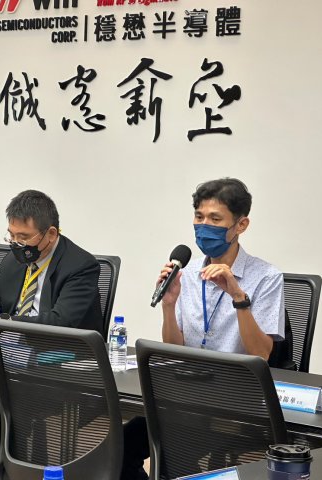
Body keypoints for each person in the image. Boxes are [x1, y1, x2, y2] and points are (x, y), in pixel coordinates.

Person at [122, 178, 285, 480]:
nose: (204, 226)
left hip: (234, 399)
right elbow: (175, 349)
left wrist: (238, 297)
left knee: (174, 453)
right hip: (186, 392)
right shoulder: (188, 272)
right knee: (118, 450)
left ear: (241, 225)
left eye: (215, 219)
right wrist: (169, 305)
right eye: (199, 217)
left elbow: (261, 354)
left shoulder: (266, 277)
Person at [0, 189, 103, 334]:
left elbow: (61, 321)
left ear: (51, 234)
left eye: (23, 237)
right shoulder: (13, 259)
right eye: (12, 235)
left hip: (57, 343)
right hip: (12, 337)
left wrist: (3, 323)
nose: (16, 243)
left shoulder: (80, 266)